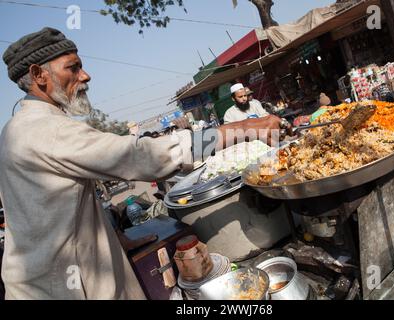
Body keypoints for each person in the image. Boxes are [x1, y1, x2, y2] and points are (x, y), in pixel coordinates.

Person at [0, 27, 283, 300]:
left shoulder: (19, 128)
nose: (85, 76)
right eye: (72, 68)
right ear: (38, 74)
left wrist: (115, 242)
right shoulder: (42, 130)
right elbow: (141, 156)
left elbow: (55, 211)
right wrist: (245, 128)